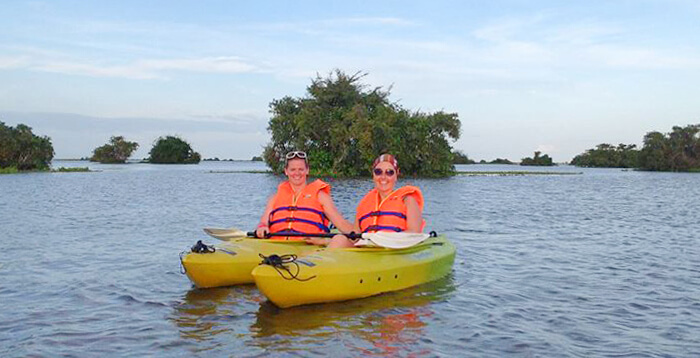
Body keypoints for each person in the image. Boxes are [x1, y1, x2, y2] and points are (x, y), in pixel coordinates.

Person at [326, 153, 424, 248]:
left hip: (394, 250)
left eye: (389, 172)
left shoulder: (408, 200)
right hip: (367, 251)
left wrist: (384, 240)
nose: (383, 177)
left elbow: (413, 233)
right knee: (339, 239)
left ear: (396, 174)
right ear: (373, 174)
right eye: (378, 172)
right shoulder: (364, 204)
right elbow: (355, 236)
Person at [255, 151, 353, 241]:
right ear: (286, 171)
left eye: (301, 169)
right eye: (292, 169)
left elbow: (341, 223)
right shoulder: (274, 198)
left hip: (308, 247)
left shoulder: (320, 196)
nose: (297, 173)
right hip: (276, 245)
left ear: (307, 170)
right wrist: (262, 227)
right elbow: (263, 222)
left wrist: (359, 235)